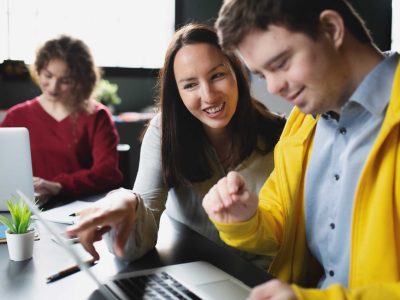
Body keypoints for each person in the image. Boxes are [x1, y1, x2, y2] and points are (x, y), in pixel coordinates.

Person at [202, 0, 400, 299]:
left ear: (331, 29)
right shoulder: (302, 122)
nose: (273, 88)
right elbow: (282, 225)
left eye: (280, 64)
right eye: (262, 74)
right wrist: (245, 219)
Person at [66, 23, 285, 269]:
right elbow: (134, 246)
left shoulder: (281, 133)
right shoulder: (164, 132)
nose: (209, 95)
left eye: (217, 75)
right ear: (177, 92)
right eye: (190, 85)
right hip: (196, 273)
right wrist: (126, 201)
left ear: (237, 73)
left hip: (267, 282)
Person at [0, 35, 123, 204]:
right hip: (25, 209)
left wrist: (58, 186)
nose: (53, 87)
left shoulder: (97, 116)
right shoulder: (16, 116)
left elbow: (107, 173)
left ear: (81, 81)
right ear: (38, 70)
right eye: (48, 75)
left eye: (65, 80)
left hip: (78, 209)